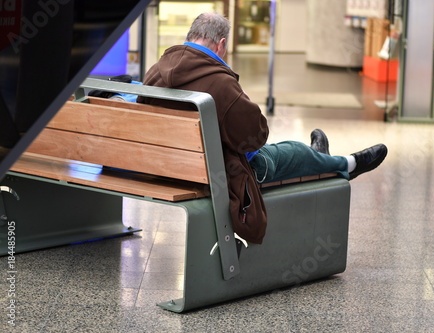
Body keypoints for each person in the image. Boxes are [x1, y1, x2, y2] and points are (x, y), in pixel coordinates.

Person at [137, 13, 387, 244]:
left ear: (191, 36)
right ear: (221, 44)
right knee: (292, 151)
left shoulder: (155, 71)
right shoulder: (219, 83)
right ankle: (347, 164)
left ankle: (319, 157)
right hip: (218, 172)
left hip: (168, 167)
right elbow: (256, 137)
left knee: (286, 151)